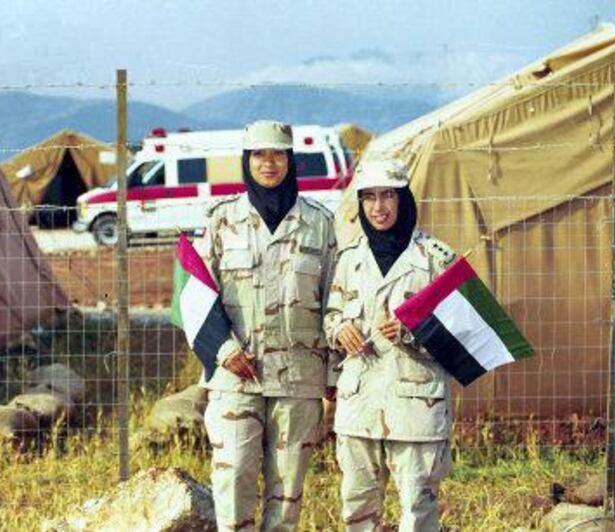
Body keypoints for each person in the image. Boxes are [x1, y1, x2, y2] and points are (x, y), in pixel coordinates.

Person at [196, 120, 338, 531]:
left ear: (291, 160)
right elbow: (197, 296)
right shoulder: (221, 221)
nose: (269, 163)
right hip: (234, 377)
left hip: (299, 379)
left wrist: (332, 378)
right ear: (246, 160)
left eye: (278, 154)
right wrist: (222, 350)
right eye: (259, 154)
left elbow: (335, 300)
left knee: (287, 491)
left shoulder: (319, 223)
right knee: (233, 478)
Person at [323, 158, 457, 532]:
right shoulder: (349, 260)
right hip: (359, 404)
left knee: (417, 510)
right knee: (358, 508)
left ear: (403, 200)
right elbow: (331, 314)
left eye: (387, 196)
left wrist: (414, 331)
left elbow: (463, 333)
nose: (378, 207)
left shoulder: (436, 259)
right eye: (369, 198)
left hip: (415, 408)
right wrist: (340, 329)